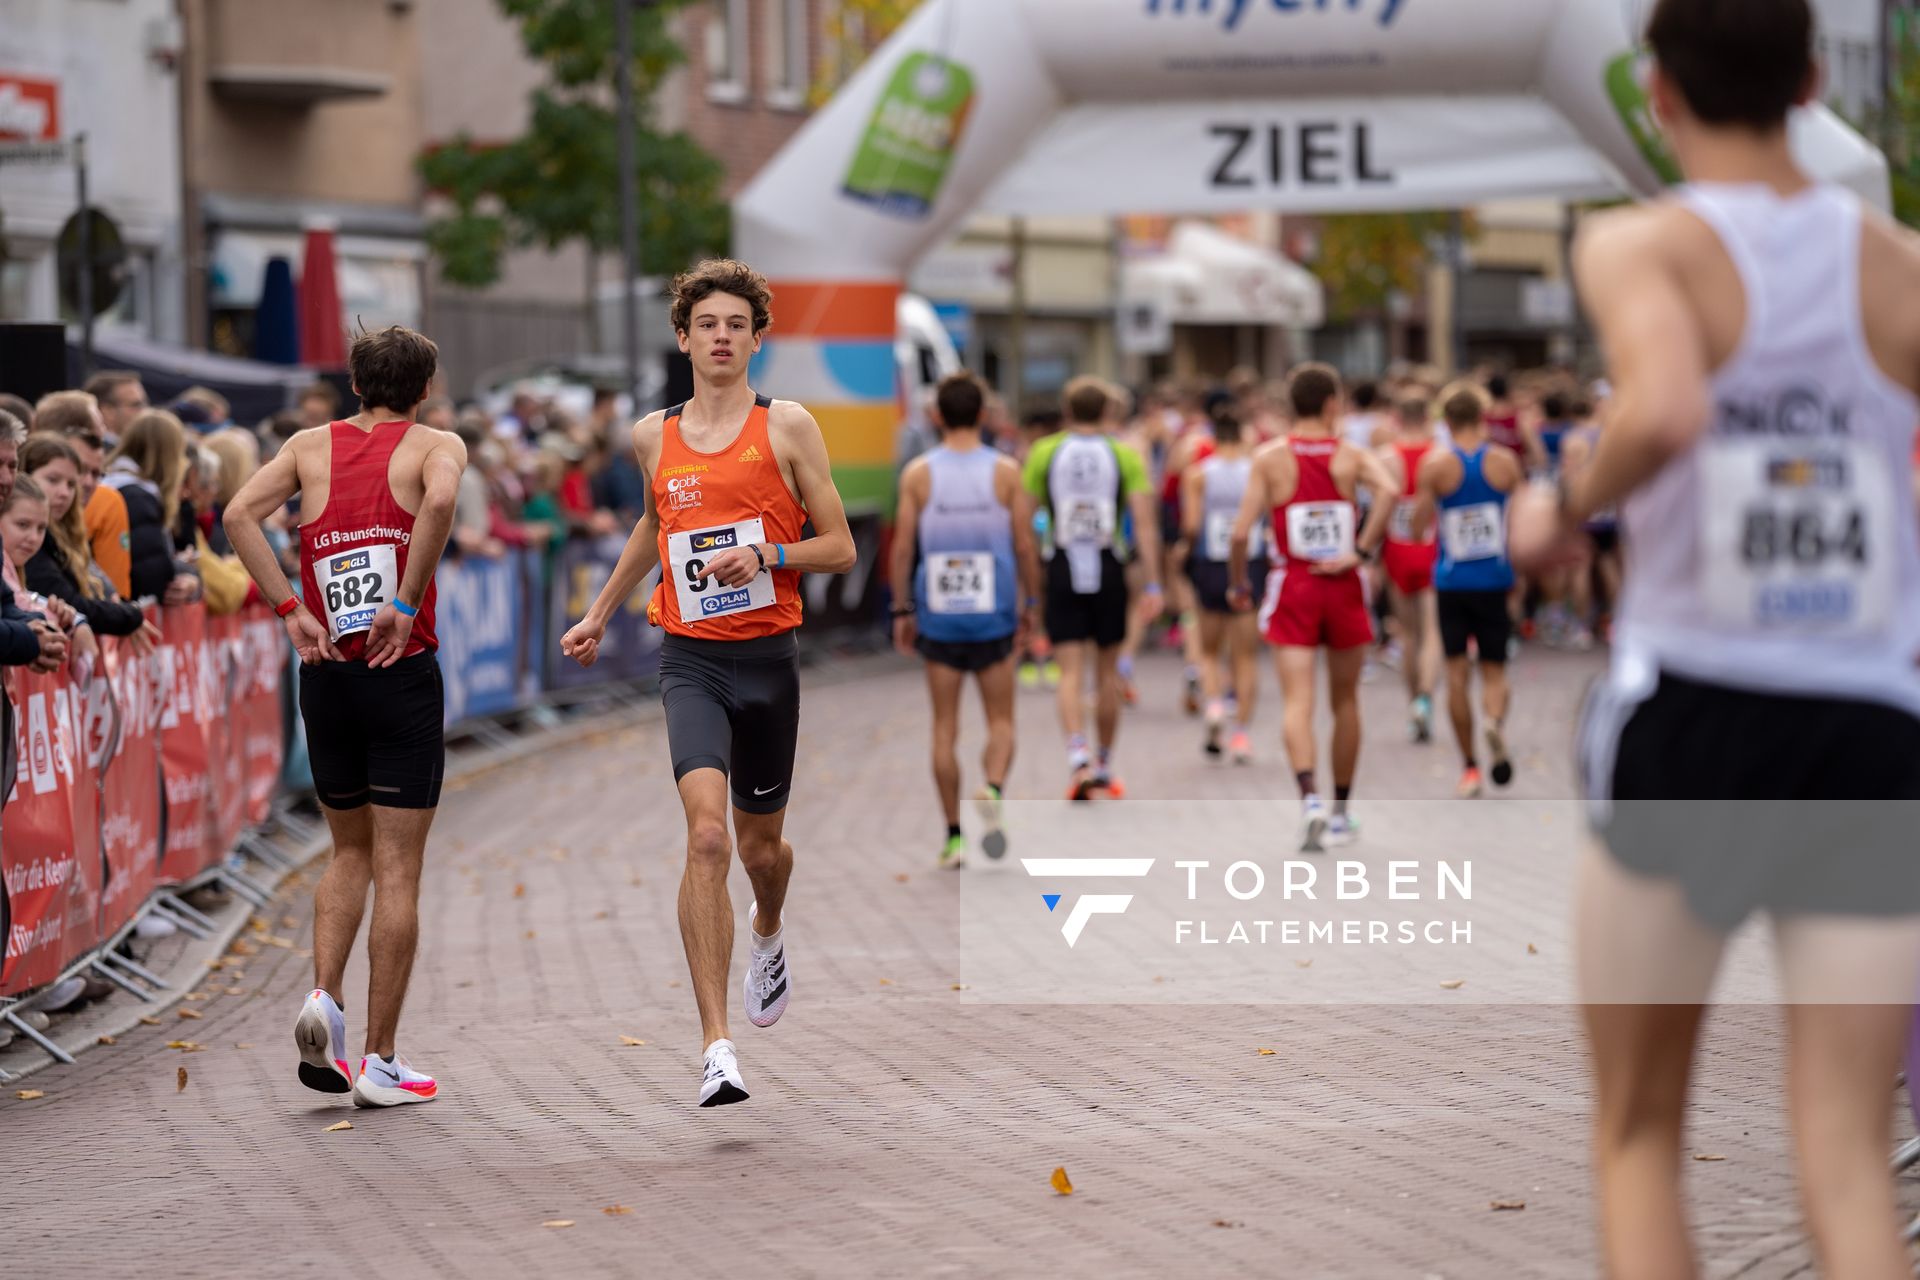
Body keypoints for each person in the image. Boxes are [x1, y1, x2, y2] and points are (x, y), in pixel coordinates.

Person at [1507, 2, 1920, 1273]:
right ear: (1808, 77)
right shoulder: (1896, 260)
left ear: (1657, 89)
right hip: (1867, 725)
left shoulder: (1640, 246)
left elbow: (1670, 402)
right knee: (1848, 1153)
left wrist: (1563, 507)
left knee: (1638, 1135)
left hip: (1693, 706)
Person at [560, 260, 856, 1107]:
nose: (722, 336)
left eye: (738, 324)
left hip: (769, 660)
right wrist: (600, 610)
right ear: (683, 337)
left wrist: (767, 553)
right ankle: (716, 1046)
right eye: (708, 324)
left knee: (761, 850)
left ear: (757, 339)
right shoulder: (653, 434)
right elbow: (657, 525)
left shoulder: (789, 426)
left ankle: (768, 926)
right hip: (689, 658)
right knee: (706, 839)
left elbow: (838, 548)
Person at [225, 324, 467, 1110]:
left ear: (355, 384)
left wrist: (290, 609)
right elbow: (437, 501)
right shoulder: (437, 444)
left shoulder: (308, 445)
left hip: (325, 671)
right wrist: (401, 601)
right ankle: (379, 1061)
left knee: (346, 852)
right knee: (399, 868)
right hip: (399, 668)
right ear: (424, 387)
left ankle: (322, 999)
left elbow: (236, 516)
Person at [1230, 364, 1396, 853]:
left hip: (1294, 584)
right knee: (1345, 700)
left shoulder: (1269, 458)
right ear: (1331, 404)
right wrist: (1362, 551)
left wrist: (1240, 582)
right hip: (1343, 583)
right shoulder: (1350, 455)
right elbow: (1389, 490)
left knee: (1297, 702)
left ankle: (1310, 801)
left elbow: (1240, 532)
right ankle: (1342, 812)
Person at [890, 371, 1036, 867]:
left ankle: (954, 835)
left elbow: (904, 546)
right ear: (983, 414)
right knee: (1001, 720)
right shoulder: (1005, 472)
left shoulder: (918, 474)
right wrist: (1031, 603)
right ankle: (991, 788)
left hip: (939, 618)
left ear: (935, 416)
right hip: (993, 614)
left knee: (944, 728)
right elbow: (1023, 543)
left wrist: (902, 608)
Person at [1019, 376, 1163, 801]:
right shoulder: (1123, 453)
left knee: (1069, 672)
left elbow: (1024, 524)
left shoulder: (1044, 451)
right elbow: (1147, 523)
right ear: (1106, 412)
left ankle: (1077, 758)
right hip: (1108, 566)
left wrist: (1028, 586)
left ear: (1066, 411)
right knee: (1105, 673)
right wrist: (1153, 582)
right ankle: (1103, 763)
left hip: (1061, 563)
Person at [1412, 384, 1521, 798]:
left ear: (1446, 421)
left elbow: (1419, 526)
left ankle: (1470, 768)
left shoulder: (1436, 465)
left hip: (1452, 580)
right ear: (1482, 416)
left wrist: (1434, 502)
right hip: (1495, 577)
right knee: (1495, 671)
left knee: (1456, 674)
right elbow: (1524, 520)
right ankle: (1493, 720)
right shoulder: (1505, 462)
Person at [1181, 401, 1266, 763]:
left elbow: (1190, 525)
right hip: (1249, 562)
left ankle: (1215, 705)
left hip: (1212, 565)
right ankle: (1242, 734)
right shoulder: (1256, 471)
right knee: (1245, 656)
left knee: (1209, 649)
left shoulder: (1199, 474)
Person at [18, 434, 158, 652]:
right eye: (53, 480)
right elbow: (71, 601)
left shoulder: (69, 536)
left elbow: (94, 591)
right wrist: (130, 614)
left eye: (71, 484)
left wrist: (122, 608)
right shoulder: (33, 542)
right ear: (26, 477)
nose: (64, 493)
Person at [1377, 394, 1442, 743]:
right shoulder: (1439, 456)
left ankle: (1413, 704)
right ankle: (1425, 698)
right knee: (1433, 632)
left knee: (1408, 634)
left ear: (1398, 417)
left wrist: (1372, 558)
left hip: (1398, 550)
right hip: (1431, 547)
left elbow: (1380, 508)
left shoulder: (1387, 458)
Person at [95, 410, 201, 605]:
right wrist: (186, 571)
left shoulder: (114, 484)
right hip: (122, 610)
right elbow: (152, 574)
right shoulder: (138, 498)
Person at [82, 371, 149, 441]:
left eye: (145, 404)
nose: (145, 411)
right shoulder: (91, 449)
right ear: (108, 411)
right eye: (136, 405)